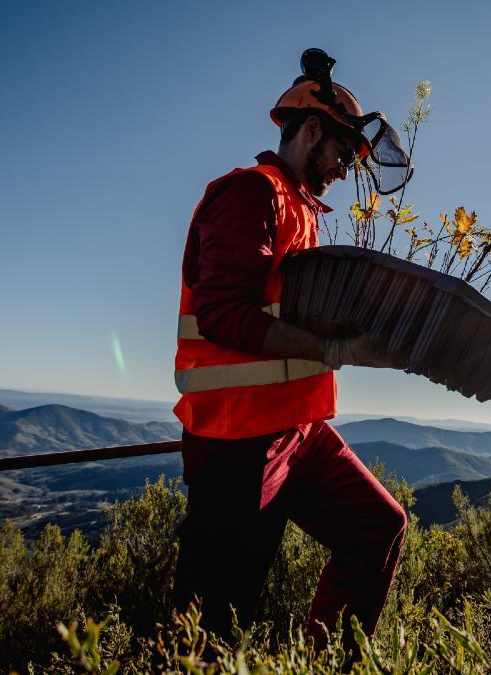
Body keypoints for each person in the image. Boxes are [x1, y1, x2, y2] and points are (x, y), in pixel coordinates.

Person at [171, 50, 408, 645]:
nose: (344, 171)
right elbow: (222, 313)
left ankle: (330, 660)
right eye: (342, 156)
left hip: (296, 430)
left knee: (378, 525)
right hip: (237, 443)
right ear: (310, 131)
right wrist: (330, 348)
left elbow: (289, 309)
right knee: (213, 624)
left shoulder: (302, 210)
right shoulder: (252, 193)